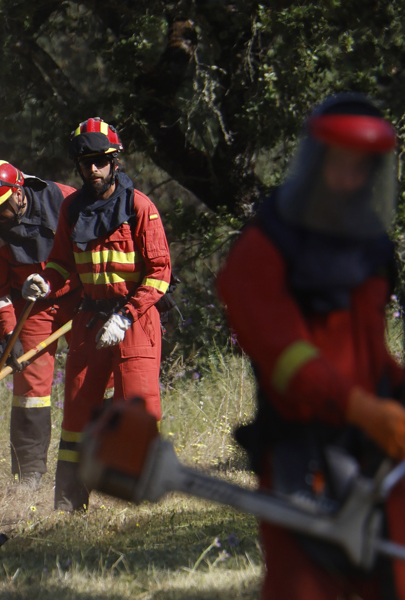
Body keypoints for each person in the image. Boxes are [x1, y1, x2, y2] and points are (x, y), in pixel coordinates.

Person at [216, 93, 405, 599]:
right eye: (338, 165)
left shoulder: (369, 249)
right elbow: (284, 354)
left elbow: (370, 352)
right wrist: (360, 408)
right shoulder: (263, 248)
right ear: (315, 161)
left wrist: (393, 392)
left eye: (361, 168)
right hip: (300, 456)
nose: (349, 179)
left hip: (373, 455)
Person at [23, 119, 171, 511]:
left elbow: (160, 273)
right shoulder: (71, 209)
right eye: (85, 162)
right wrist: (44, 281)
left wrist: (126, 315)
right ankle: (70, 502)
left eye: (100, 161)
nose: (92, 169)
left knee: (138, 409)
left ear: (114, 161)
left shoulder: (140, 207)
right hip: (90, 321)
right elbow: (60, 263)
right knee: (77, 410)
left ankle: (142, 501)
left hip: (134, 323)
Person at [0, 158, 80, 489]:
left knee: (94, 375)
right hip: (32, 307)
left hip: (79, 295)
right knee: (30, 388)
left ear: (19, 192)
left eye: (1, 207)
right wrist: (8, 334)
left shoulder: (65, 200)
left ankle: (102, 461)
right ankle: (29, 473)